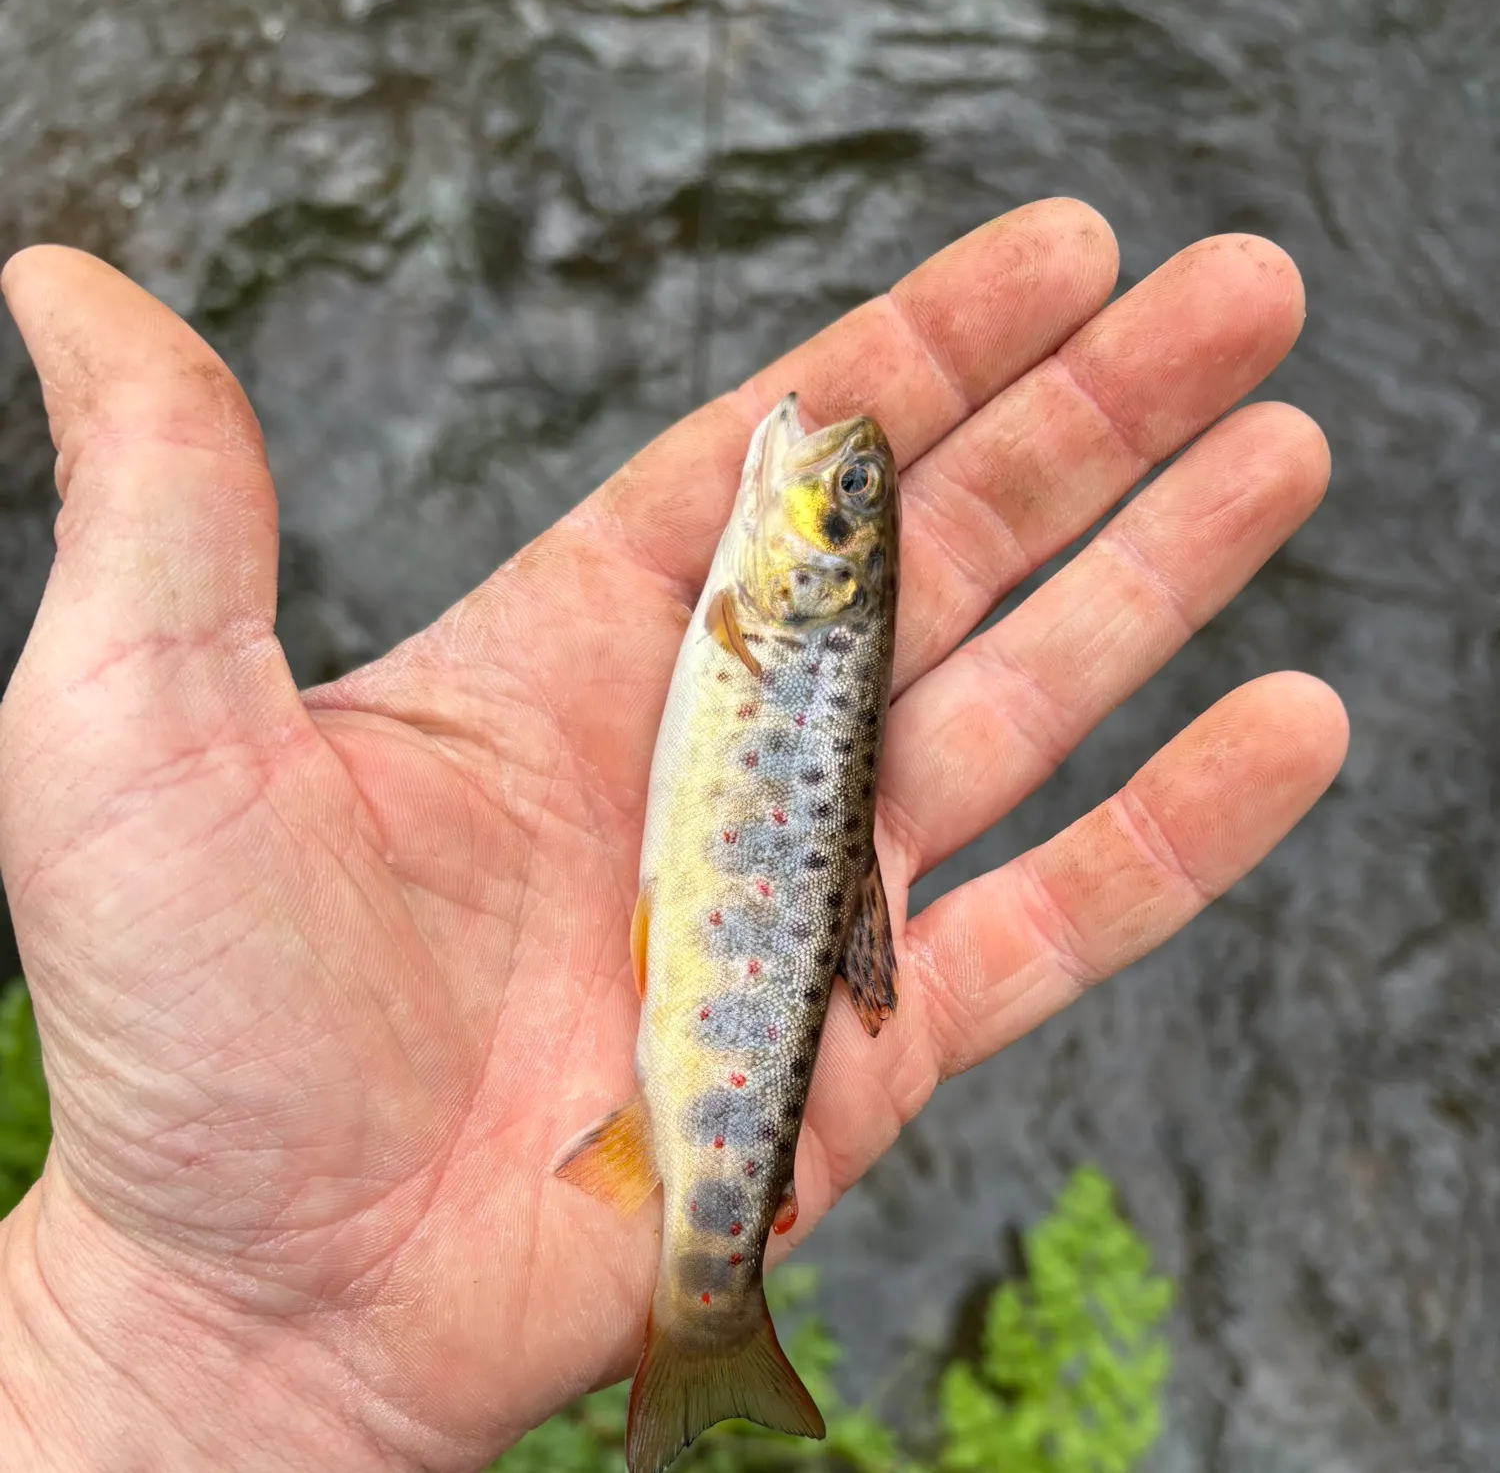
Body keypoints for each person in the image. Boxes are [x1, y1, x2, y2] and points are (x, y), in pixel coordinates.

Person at [0, 199, 1346, 1471]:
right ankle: (714, 1315)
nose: (823, 483)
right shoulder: (757, 618)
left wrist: (147, 1376)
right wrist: (164, 1350)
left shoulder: (751, 616)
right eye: (848, 506)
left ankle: (714, 1311)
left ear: (814, 580)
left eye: (838, 515)